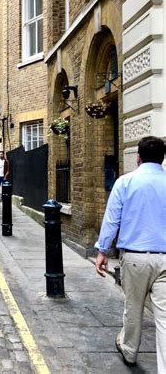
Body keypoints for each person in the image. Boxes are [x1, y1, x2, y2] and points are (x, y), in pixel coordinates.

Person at [94, 136, 166, 371]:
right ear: (163, 158)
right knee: (165, 318)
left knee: (133, 307)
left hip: (135, 257)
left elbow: (112, 219)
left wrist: (103, 250)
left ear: (138, 157)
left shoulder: (126, 182)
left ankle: (130, 350)